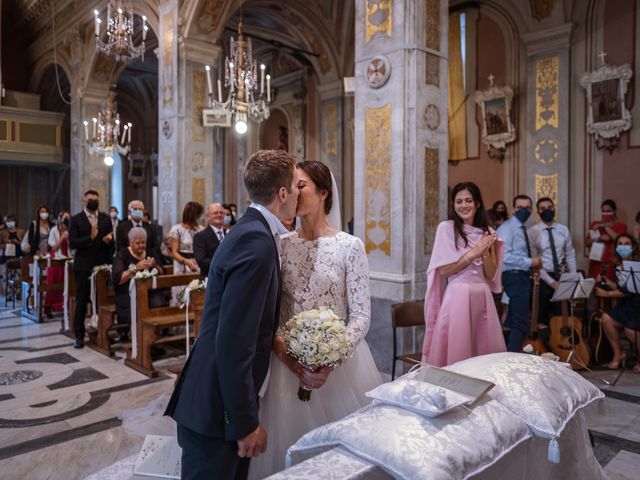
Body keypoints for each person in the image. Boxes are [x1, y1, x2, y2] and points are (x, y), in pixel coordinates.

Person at [165, 150, 299, 480]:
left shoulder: (251, 231)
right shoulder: (255, 240)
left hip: (216, 403)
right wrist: (245, 423)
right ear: (282, 194)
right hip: (216, 412)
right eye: (295, 186)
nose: (298, 193)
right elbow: (234, 342)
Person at [247, 161, 382, 479]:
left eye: (300, 185)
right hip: (286, 365)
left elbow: (361, 315)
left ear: (323, 192)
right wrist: (291, 359)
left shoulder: (349, 247)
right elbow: (274, 314)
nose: (292, 192)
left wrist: (330, 358)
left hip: (340, 367)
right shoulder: (280, 246)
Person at [422, 182, 506, 367]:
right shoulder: (446, 228)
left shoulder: (488, 233)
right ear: (453, 205)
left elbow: (491, 275)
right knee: (458, 350)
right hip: (457, 295)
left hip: (483, 296)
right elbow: (444, 271)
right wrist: (472, 254)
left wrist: (484, 251)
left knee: (483, 353)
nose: (464, 205)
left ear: (477, 204)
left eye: (468, 200)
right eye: (459, 201)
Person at [497, 195, 543, 352]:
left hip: (523, 276)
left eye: (527, 208)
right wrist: (531, 262)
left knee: (513, 320)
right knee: (521, 321)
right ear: (512, 209)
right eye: (519, 207)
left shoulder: (523, 229)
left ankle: (508, 353)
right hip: (513, 276)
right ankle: (512, 357)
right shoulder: (507, 228)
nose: (523, 211)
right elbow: (505, 256)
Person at [68, 189, 113, 348]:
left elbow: (110, 242)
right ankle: (79, 335)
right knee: (82, 300)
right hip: (84, 265)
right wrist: (91, 237)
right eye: (90, 200)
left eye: (95, 199)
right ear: (84, 201)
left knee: (103, 300)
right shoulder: (76, 219)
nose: (93, 202)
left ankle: (103, 331)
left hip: (101, 265)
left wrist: (108, 240)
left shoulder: (106, 219)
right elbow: (72, 243)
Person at [528, 197, 577, 325]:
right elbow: (534, 262)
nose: (547, 210)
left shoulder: (563, 229)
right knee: (541, 317)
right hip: (542, 278)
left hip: (562, 275)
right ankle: (542, 344)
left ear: (554, 209)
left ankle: (559, 344)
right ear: (538, 212)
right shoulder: (533, 232)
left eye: (549, 207)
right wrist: (552, 282)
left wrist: (573, 277)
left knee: (561, 317)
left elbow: (570, 253)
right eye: (542, 208)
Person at [596, 233, 640, 373]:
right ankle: (618, 354)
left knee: (630, 331)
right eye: (620, 244)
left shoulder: (638, 264)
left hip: (638, 305)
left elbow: (630, 290)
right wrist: (607, 282)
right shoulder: (618, 265)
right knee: (606, 318)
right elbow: (622, 288)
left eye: (627, 244)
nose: (623, 247)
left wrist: (607, 294)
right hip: (626, 305)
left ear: (633, 246)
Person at [112, 227, 164, 343]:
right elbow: (118, 279)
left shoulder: (150, 252)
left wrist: (155, 265)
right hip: (128, 295)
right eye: (138, 243)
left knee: (158, 303)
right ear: (130, 243)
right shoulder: (122, 255)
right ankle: (140, 342)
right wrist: (136, 268)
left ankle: (153, 340)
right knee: (138, 309)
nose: (141, 245)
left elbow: (162, 272)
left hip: (149, 293)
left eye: (143, 242)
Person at [585, 199, 627, 279]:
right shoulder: (595, 224)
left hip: (612, 262)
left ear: (614, 211)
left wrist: (605, 226)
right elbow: (587, 243)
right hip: (596, 261)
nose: (605, 214)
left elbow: (618, 239)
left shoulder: (621, 226)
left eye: (608, 211)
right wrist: (598, 238)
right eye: (603, 211)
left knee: (609, 285)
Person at [168, 201, 204, 275]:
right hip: (182, 263)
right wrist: (187, 262)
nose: (200, 217)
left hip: (197, 262)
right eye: (198, 215)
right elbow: (174, 252)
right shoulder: (177, 229)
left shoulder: (201, 229)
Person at [46, 210, 71, 313]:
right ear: (60, 219)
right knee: (53, 283)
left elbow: (72, 247)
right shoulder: (53, 230)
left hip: (67, 259)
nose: (66, 220)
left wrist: (68, 238)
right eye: (65, 218)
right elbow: (54, 247)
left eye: (68, 218)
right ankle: (49, 307)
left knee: (65, 283)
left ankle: (64, 306)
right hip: (56, 259)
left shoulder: (71, 229)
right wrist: (62, 238)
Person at [193, 203, 226, 278]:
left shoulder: (230, 234)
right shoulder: (200, 236)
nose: (219, 215)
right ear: (208, 216)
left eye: (221, 212)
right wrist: (224, 265)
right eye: (215, 213)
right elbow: (201, 260)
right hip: (211, 278)